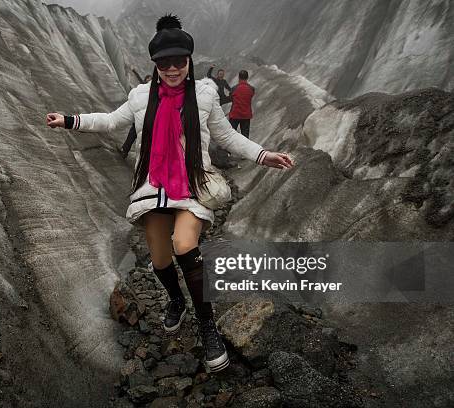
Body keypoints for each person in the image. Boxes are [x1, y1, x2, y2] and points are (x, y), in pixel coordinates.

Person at [46, 14, 293, 373]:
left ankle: (207, 327)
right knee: (160, 259)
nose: (173, 68)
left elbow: (226, 136)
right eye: (165, 62)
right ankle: (176, 297)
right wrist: (69, 120)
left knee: (184, 245)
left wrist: (262, 154)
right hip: (153, 187)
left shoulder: (205, 94)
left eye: (179, 61)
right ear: (155, 64)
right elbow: (111, 121)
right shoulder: (141, 96)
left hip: (192, 186)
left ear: (189, 60)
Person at [120, 68, 152, 158]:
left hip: (149, 118)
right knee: (133, 133)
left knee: (138, 135)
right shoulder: (143, 88)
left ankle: (129, 151)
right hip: (141, 117)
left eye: (150, 80)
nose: (149, 81)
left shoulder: (156, 90)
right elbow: (139, 78)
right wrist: (134, 71)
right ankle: (125, 150)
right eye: (148, 80)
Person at [228, 70, 255, 138]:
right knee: (245, 136)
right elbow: (251, 96)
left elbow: (231, 97)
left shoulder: (234, 88)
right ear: (247, 77)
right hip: (246, 115)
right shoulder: (251, 89)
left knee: (231, 135)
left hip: (235, 114)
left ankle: (230, 148)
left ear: (239, 77)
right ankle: (245, 148)